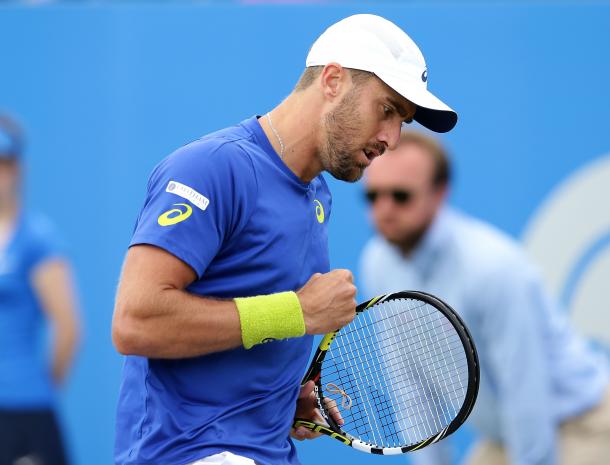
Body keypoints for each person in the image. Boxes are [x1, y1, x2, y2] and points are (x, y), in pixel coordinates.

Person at [111, 13, 458, 465]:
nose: (392, 138)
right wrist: (295, 312)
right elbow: (136, 321)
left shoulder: (317, 195)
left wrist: (273, 400)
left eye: (403, 121)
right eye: (387, 109)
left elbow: (239, 334)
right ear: (332, 80)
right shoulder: (212, 168)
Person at [359, 130, 610, 465]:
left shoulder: (490, 267)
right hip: (504, 436)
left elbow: (526, 393)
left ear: (439, 193)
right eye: (373, 196)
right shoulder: (377, 264)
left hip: (584, 424)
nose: (384, 209)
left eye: (401, 196)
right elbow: (411, 388)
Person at [0, 114, 81, 465]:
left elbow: (68, 328)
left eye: (4, 163)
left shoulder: (37, 239)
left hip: (23, 410)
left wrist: (40, 388)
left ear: (18, 169)